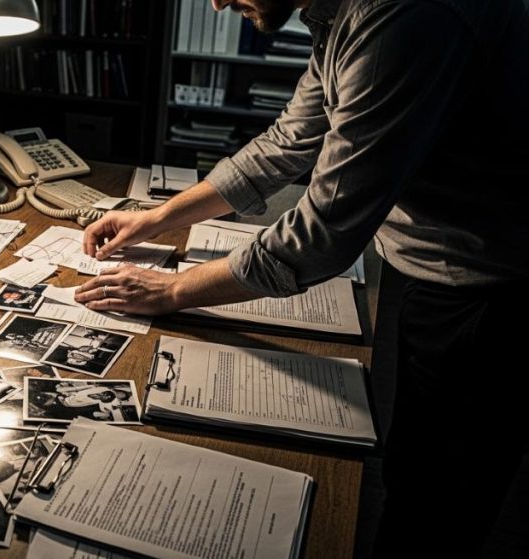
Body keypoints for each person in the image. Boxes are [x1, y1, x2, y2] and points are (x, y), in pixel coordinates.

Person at [74, 0, 528, 556]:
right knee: (410, 472)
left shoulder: (407, 16)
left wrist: (171, 291)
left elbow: (322, 235)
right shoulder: (338, 14)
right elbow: (288, 141)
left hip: (492, 294)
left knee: (433, 504)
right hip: (435, 267)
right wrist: (159, 218)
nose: (216, 2)